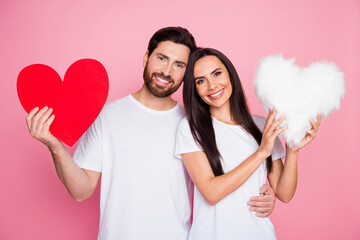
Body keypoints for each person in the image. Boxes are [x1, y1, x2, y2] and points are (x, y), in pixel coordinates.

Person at [25, 27, 278, 240]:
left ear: (186, 75)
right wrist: (55, 145)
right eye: (162, 59)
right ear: (146, 57)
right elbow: (80, 191)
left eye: (179, 65)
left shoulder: (194, 126)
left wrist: (265, 192)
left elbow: (222, 178)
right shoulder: (108, 116)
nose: (167, 72)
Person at [176, 48, 321, 239]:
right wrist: (261, 152)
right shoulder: (190, 129)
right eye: (201, 81)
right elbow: (211, 193)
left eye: (217, 74)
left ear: (230, 75)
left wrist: (293, 149)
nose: (212, 85)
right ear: (194, 89)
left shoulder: (262, 125)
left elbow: (284, 193)